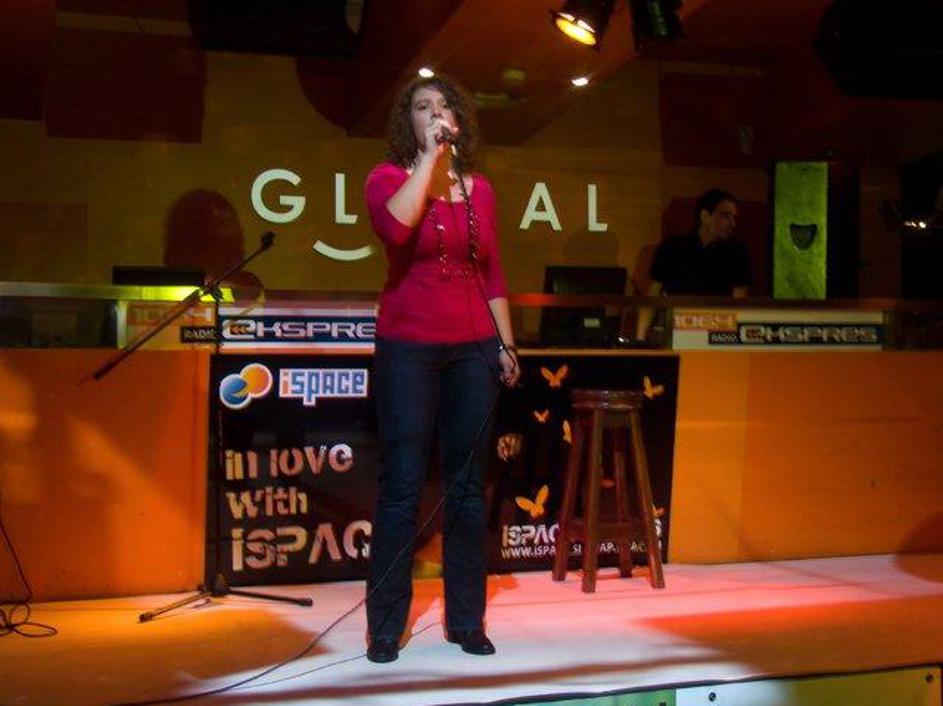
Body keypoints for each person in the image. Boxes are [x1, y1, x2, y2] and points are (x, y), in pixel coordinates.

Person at [363, 74, 519, 664]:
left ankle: (466, 621)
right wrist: (429, 159)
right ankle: (384, 627)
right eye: (422, 106)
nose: (434, 112)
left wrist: (506, 345)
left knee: (468, 489)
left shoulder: (480, 190)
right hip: (409, 346)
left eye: (443, 104)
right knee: (403, 485)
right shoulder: (387, 178)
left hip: (473, 347)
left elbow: (492, 273)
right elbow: (396, 228)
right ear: (409, 121)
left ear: (460, 118)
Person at [637, 189, 752, 340]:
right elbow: (653, 295)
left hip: (716, 333)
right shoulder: (672, 247)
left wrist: (732, 339)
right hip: (673, 328)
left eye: (734, 217)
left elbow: (739, 301)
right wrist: (640, 338)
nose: (732, 223)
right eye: (725, 216)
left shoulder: (737, 251)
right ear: (705, 216)